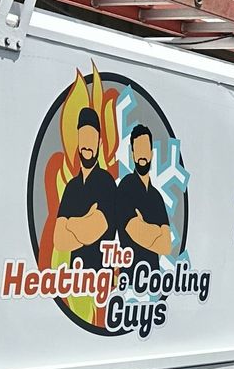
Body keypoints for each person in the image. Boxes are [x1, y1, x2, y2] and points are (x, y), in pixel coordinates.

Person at [52, 108, 118, 269]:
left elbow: (93, 230)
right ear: (77, 140)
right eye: (83, 137)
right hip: (74, 283)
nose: (87, 144)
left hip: (102, 284)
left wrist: (70, 223)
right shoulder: (72, 187)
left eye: (92, 137)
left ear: (100, 143)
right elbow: (59, 240)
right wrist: (84, 221)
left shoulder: (106, 183)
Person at [114, 124, 174, 271]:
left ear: (151, 153)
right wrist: (157, 231)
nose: (142, 154)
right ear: (132, 153)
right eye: (138, 149)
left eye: (145, 148)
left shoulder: (156, 197)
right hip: (128, 280)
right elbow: (135, 231)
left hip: (152, 282)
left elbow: (166, 246)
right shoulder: (126, 186)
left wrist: (146, 228)